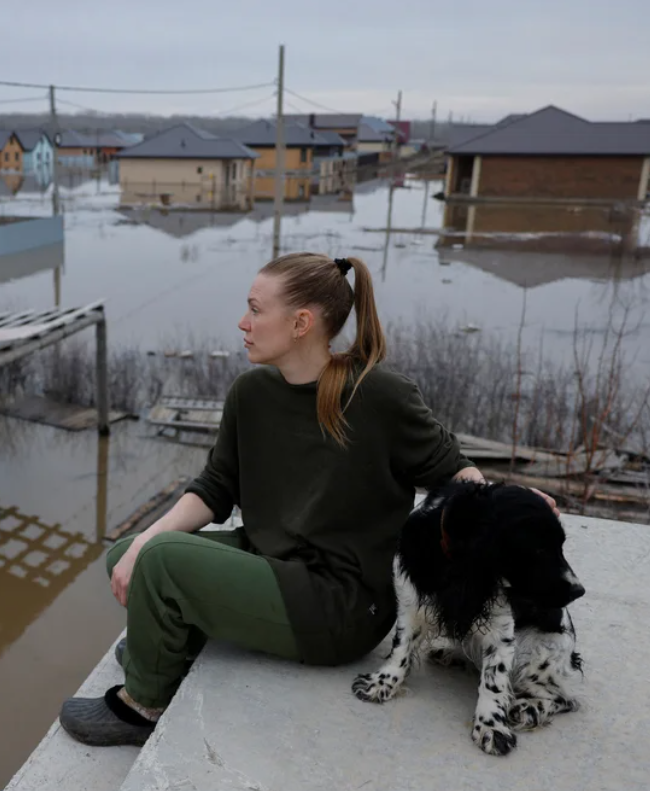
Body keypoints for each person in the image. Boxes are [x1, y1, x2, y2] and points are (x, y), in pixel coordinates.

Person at [58, 252, 555, 747]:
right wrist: (146, 537)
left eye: (255, 309)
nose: (242, 322)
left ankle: (142, 704)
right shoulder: (250, 393)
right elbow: (215, 488)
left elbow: (457, 474)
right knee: (130, 554)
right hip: (270, 563)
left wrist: (511, 505)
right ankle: (167, 645)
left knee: (161, 562)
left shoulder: (379, 395)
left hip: (340, 605)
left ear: (300, 322)